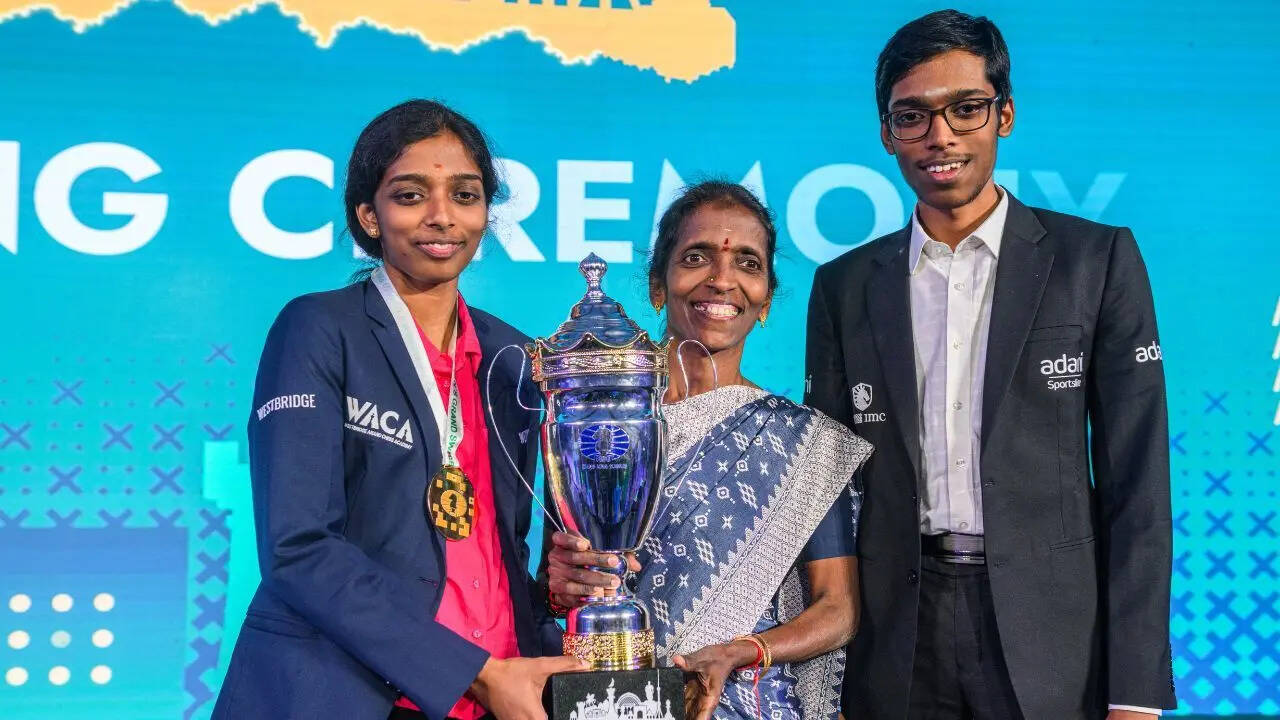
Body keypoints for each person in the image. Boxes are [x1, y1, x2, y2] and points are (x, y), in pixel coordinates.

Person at [805, 10, 1175, 720]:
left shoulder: (1095, 262)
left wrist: (1135, 690)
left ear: (1004, 114)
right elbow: (827, 495)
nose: (939, 136)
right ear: (886, 134)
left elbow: (1140, 490)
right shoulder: (844, 286)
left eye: (965, 109)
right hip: (893, 637)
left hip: (1053, 636)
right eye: (911, 116)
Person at [212, 99, 582, 720]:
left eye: (465, 196)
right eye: (411, 196)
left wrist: (557, 587)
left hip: (500, 696)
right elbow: (298, 548)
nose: (442, 217)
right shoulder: (320, 328)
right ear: (370, 216)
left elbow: (498, 548)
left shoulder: (515, 357)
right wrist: (473, 673)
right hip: (347, 693)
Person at [545, 181, 873, 720]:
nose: (722, 280)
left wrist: (741, 651)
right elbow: (552, 584)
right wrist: (562, 588)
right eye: (696, 257)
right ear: (658, 284)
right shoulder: (589, 415)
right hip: (607, 700)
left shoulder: (805, 443)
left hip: (745, 703)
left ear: (766, 297)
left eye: (748, 263)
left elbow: (838, 609)